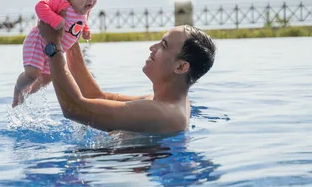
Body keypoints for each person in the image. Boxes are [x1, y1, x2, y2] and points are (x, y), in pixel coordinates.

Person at [37, 20, 217, 134]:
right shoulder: (164, 102)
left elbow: (74, 108)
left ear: (181, 66)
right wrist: (70, 37)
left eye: (164, 45)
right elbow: (97, 97)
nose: (152, 47)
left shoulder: (163, 114)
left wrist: (53, 46)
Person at [12, 0, 100, 107]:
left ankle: (26, 94)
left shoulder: (84, 10)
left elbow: (80, 22)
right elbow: (40, 6)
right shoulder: (61, 0)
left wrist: (85, 30)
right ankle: (18, 90)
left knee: (47, 77)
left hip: (54, 49)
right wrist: (54, 19)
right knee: (33, 73)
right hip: (38, 42)